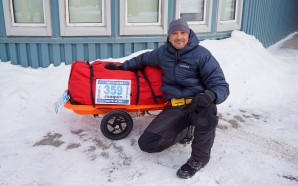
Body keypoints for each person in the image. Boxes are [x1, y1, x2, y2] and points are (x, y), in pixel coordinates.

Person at [105, 19, 229, 179]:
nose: (179, 37)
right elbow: (142, 59)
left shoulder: (202, 55)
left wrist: (211, 95)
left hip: (199, 103)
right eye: (174, 33)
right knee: (147, 144)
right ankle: (185, 129)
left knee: (207, 115)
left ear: (189, 34)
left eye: (183, 33)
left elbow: (220, 84)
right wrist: (121, 67)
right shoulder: (163, 53)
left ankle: (198, 159)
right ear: (169, 37)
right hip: (175, 106)